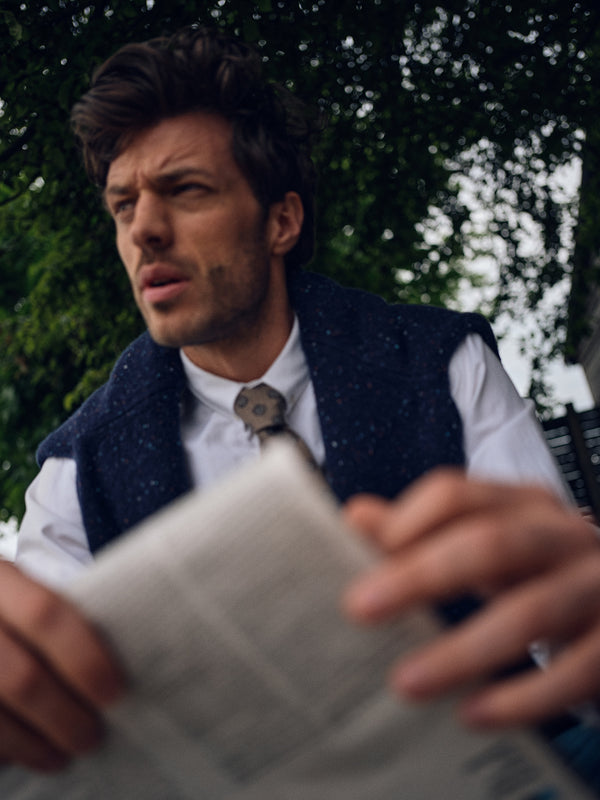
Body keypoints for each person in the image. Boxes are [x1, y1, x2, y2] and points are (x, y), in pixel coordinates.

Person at [4, 26, 600, 776]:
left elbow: (562, 637)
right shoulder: (76, 466)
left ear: (281, 221)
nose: (144, 230)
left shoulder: (441, 362)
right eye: (123, 205)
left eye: (185, 190)